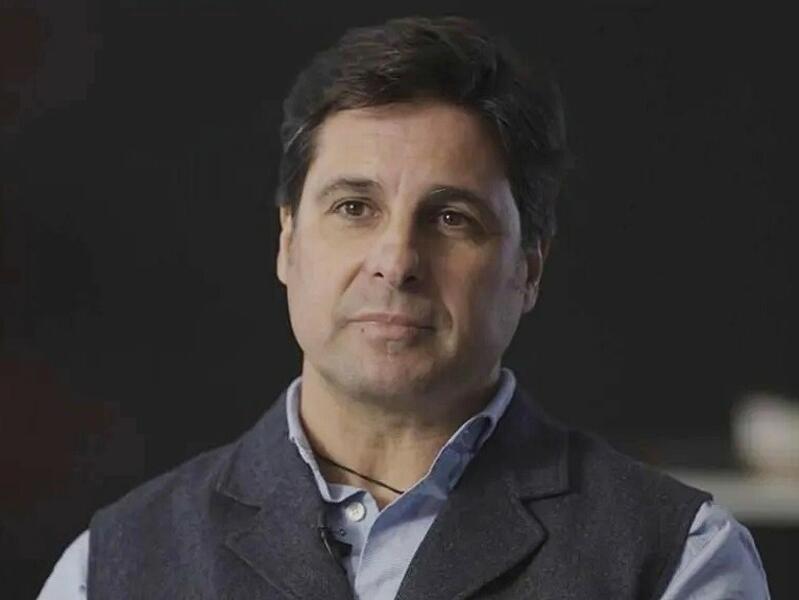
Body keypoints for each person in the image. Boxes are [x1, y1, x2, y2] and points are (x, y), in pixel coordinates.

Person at [38, 15, 770, 599]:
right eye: (354, 207)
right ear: (287, 244)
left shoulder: (677, 562)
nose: (396, 260)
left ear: (528, 269)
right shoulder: (108, 569)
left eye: (451, 218)